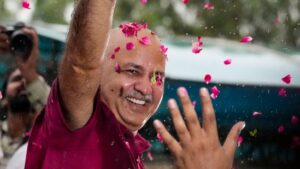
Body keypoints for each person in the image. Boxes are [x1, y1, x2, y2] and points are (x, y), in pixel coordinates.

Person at [25, 0, 245, 169]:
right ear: (98, 75)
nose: (146, 88)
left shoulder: (131, 152)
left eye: (157, 77)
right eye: (132, 71)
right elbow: (81, 65)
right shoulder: (78, 125)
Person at [0, 24, 50, 169]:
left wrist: (29, 72)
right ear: (3, 99)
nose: (24, 85)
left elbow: (61, 110)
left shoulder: (44, 140)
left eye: (29, 83)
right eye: (17, 80)